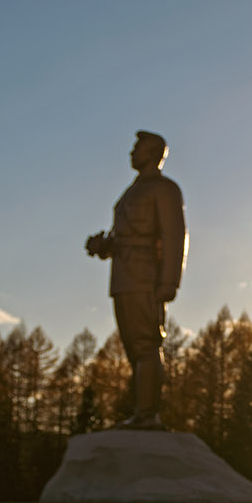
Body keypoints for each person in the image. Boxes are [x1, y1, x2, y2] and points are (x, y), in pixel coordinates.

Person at [86, 130, 187, 429]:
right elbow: (126, 236)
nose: (131, 152)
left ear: (153, 153)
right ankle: (141, 412)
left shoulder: (165, 189)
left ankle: (147, 415)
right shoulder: (132, 191)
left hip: (146, 277)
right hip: (123, 277)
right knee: (132, 346)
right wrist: (104, 245)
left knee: (146, 343)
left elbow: (174, 235)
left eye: (137, 148)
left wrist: (169, 281)